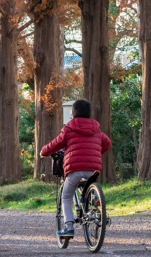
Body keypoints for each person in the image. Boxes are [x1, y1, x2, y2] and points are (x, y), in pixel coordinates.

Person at [41, 99, 111, 238]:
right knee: (89, 185)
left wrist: (44, 151)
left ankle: (68, 227)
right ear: (89, 113)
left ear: (73, 113)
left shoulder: (69, 128)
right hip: (93, 168)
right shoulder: (96, 129)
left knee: (66, 196)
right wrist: (97, 153)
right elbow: (107, 143)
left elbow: (56, 144)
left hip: (75, 168)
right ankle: (94, 204)